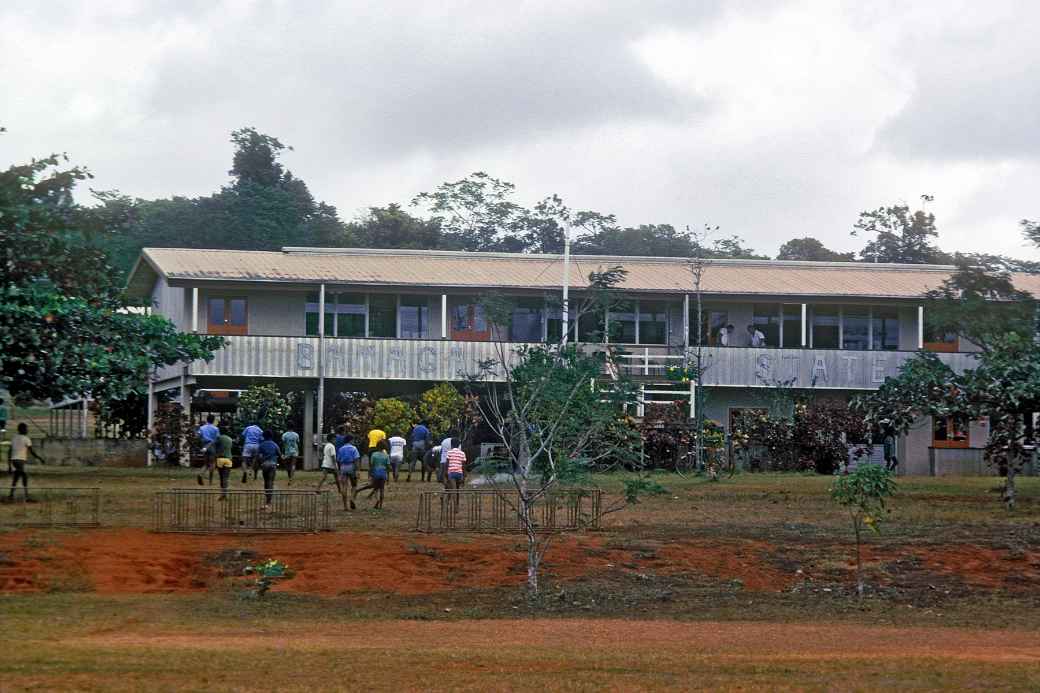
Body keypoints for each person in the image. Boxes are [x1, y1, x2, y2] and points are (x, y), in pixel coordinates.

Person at [9, 423, 44, 502]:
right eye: (26, 429)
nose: (27, 430)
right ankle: (26, 497)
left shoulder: (14, 438)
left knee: (16, 478)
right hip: (19, 461)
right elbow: (31, 451)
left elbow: (9, 451)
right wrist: (39, 458)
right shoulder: (26, 439)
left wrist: (9, 465)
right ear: (22, 429)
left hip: (15, 460)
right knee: (24, 476)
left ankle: (11, 495)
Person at [353, 439, 389, 509]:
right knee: (381, 489)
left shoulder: (374, 454)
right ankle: (380, 506)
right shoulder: (386, 455)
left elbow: (372, 465)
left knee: (372, 485)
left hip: (376, 471)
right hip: (383, 472)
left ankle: (358, 490)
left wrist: (370, 474)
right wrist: (388, 478)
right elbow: (388, 467)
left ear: (377, 446)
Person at [257, 430, 281, 507]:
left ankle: (267, 496)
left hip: (265, 465)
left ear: (264, 436)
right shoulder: (275, 444)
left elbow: (259, 456)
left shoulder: (261, 445)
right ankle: (269, 500)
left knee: (266, 481)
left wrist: (261, 462)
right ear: (272, 436)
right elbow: (279, 454)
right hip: (273, 464)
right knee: (271, 481)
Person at [336, 434, 361, 510]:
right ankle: (352, 498)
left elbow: (338, 460)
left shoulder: (341, 449)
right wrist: (357, 470)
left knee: (344, 486)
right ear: (350, 440)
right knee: (354, 485)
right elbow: (356, 460)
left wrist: (340, 470)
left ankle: (345, 506)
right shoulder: (354, 448)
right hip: (351, 467)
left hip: (343, 467)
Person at [197, 415, 220, 486]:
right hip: (212, 446)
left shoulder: (201, 428)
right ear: (213, 420)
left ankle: (201, 474)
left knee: (206, 464)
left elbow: (198, 436)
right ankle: (210, 481)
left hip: (204, 446)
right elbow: (218, 438)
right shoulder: (215, 428)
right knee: (212, 463)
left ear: (207, 420)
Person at [214, 429, 234, 500]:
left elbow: (214, 445)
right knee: (226, 478)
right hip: (228, 459)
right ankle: (225, 493)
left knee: (221, 477)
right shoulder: (230, 439)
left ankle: (222, 494)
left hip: (220, 459)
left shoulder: (219, 438)